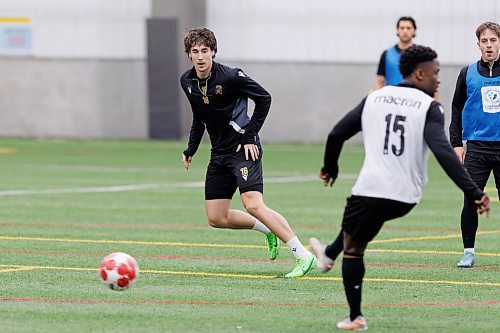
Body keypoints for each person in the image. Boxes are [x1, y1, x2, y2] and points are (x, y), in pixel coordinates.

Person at [309, 45, 490, 331]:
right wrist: (474, 191)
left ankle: (355, 316)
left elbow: (336, 134)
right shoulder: (430, 107)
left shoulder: (374, 99)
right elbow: (443, 152)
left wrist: (330, 167)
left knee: (355, 247)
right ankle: (329, 255)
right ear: (420, 74)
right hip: (406, 196)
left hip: (370, 190)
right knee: (360, 225)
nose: (438, 79)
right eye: (435, 73)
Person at [179, 27, 316, 278]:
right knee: (216, 218)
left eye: (205, 51)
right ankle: (268, 230)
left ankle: (303, 255)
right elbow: (199, 117)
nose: (200, 56)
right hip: (218, 154)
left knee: (253, 204)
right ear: (189, 55)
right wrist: (191, 149)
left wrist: (250, 135)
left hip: (243, 149)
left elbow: (264, 98)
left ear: (214, 52)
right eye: (195, 51)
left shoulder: (231, 76)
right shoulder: (187, 82)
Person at [450, 21, 500, 268]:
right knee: (470, 199)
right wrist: (456, 143)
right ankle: (468, 252)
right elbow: (457, 107)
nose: (489, 45)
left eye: (493, 40)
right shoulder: (467, 73)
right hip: (477, 148)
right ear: (478, 44)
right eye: (484, 41)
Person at [374, 16, 417, 90]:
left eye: (408, 28)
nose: (405, 31)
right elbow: (379, 83)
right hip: (392, 99)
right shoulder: (387, 54)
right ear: (397, 30)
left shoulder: (421, 55)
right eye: (402, 28)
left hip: (415, 99)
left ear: (414, 31)